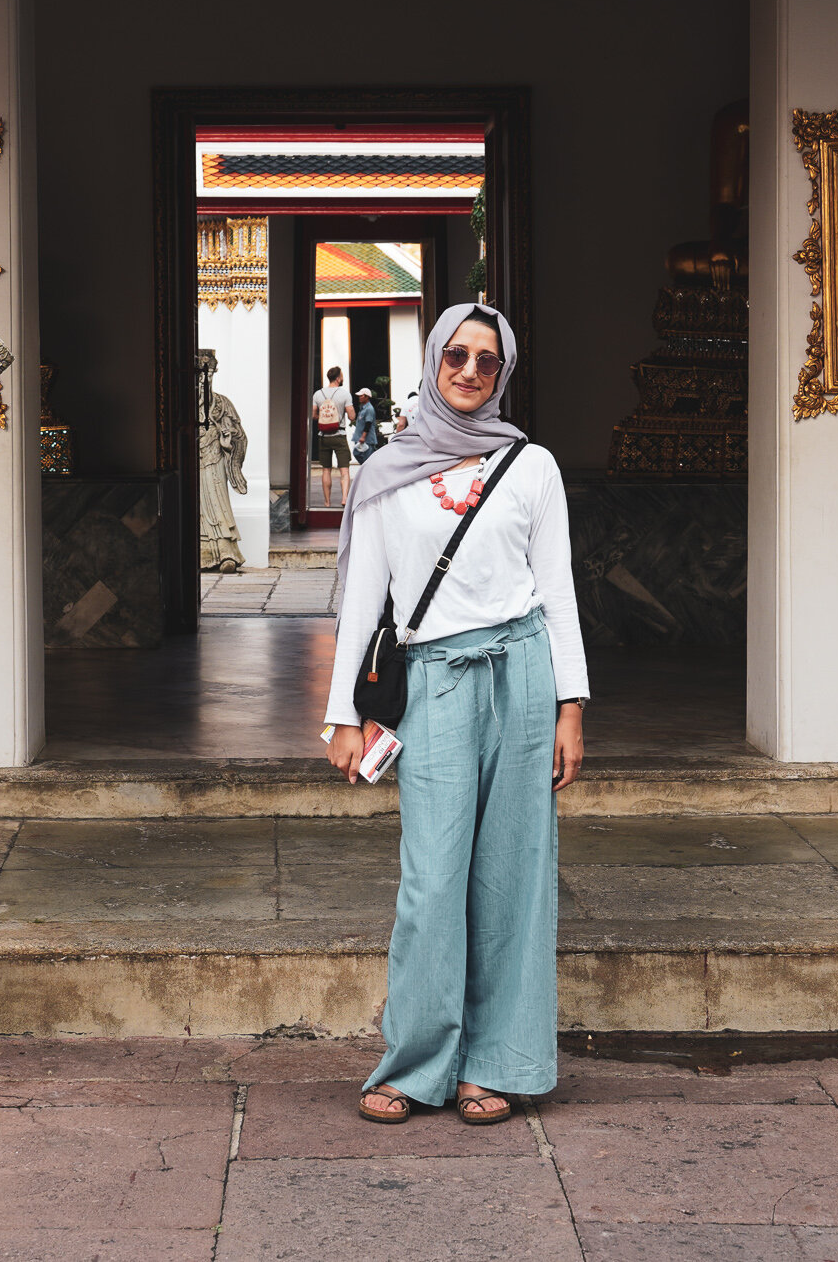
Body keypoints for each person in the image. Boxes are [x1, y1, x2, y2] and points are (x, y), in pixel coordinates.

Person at [324, 302, 588, 1127]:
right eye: (458, 356)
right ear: (435, 360)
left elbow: (557, 591)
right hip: (434, 679)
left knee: (513, 875)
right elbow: (365, 601)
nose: (471, 371)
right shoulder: (384, 471)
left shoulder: (532, 465)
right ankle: (415, 1063)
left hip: (523, 671)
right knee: (432, 878)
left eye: (487, 360)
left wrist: (570, 706)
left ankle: (496, 1063)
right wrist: (343, 714)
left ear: (503, 372)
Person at [312, 366, 351, 506]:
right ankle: (344, 498)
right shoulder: (345, 394)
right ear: (338, 378)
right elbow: (352, 416)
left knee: (326, 470)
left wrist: (325, 417)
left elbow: (313, 415)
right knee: (344, 470)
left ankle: (327, 502)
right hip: (339, 434)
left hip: (323, 436)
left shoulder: (318, 394)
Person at [350, 386, 380, 464]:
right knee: (357, 454)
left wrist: (363, 436)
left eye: (361, 396)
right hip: (360, 439)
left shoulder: (369, 409)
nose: (359, 397)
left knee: (367, 460)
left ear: (367, 397)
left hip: (367, 440)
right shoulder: (363, 408)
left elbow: (368, 423)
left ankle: (369, 473)